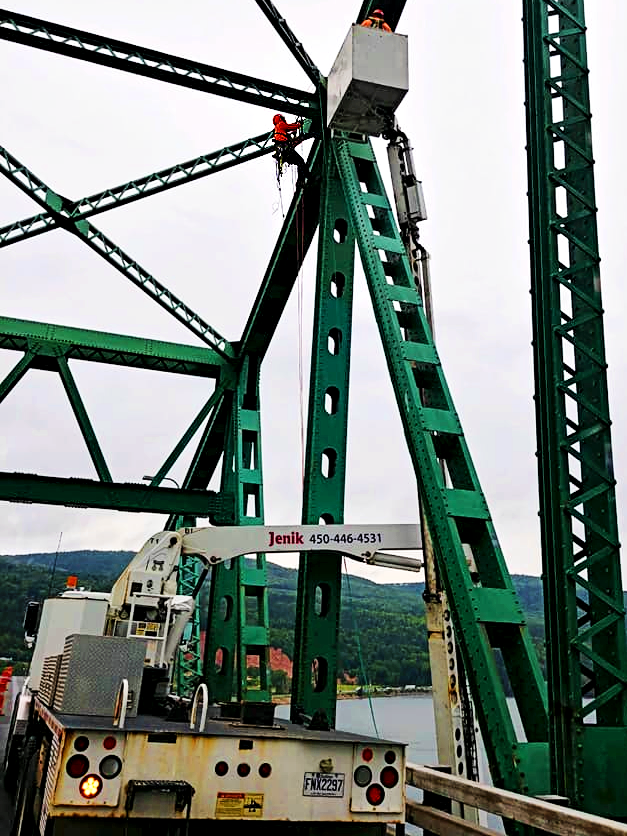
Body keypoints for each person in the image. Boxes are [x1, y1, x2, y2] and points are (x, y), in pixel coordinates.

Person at [272, 114, 307, 181]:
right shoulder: (280, 124)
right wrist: (299, 124)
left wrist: (299, 138)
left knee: (300, 163)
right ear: (280, 118)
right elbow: (290, 127)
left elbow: (291, 142)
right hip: (286, 150)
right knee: (300, 162)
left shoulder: (280, 132)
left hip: (284, 154)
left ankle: (305, 178)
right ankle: (303, 180)